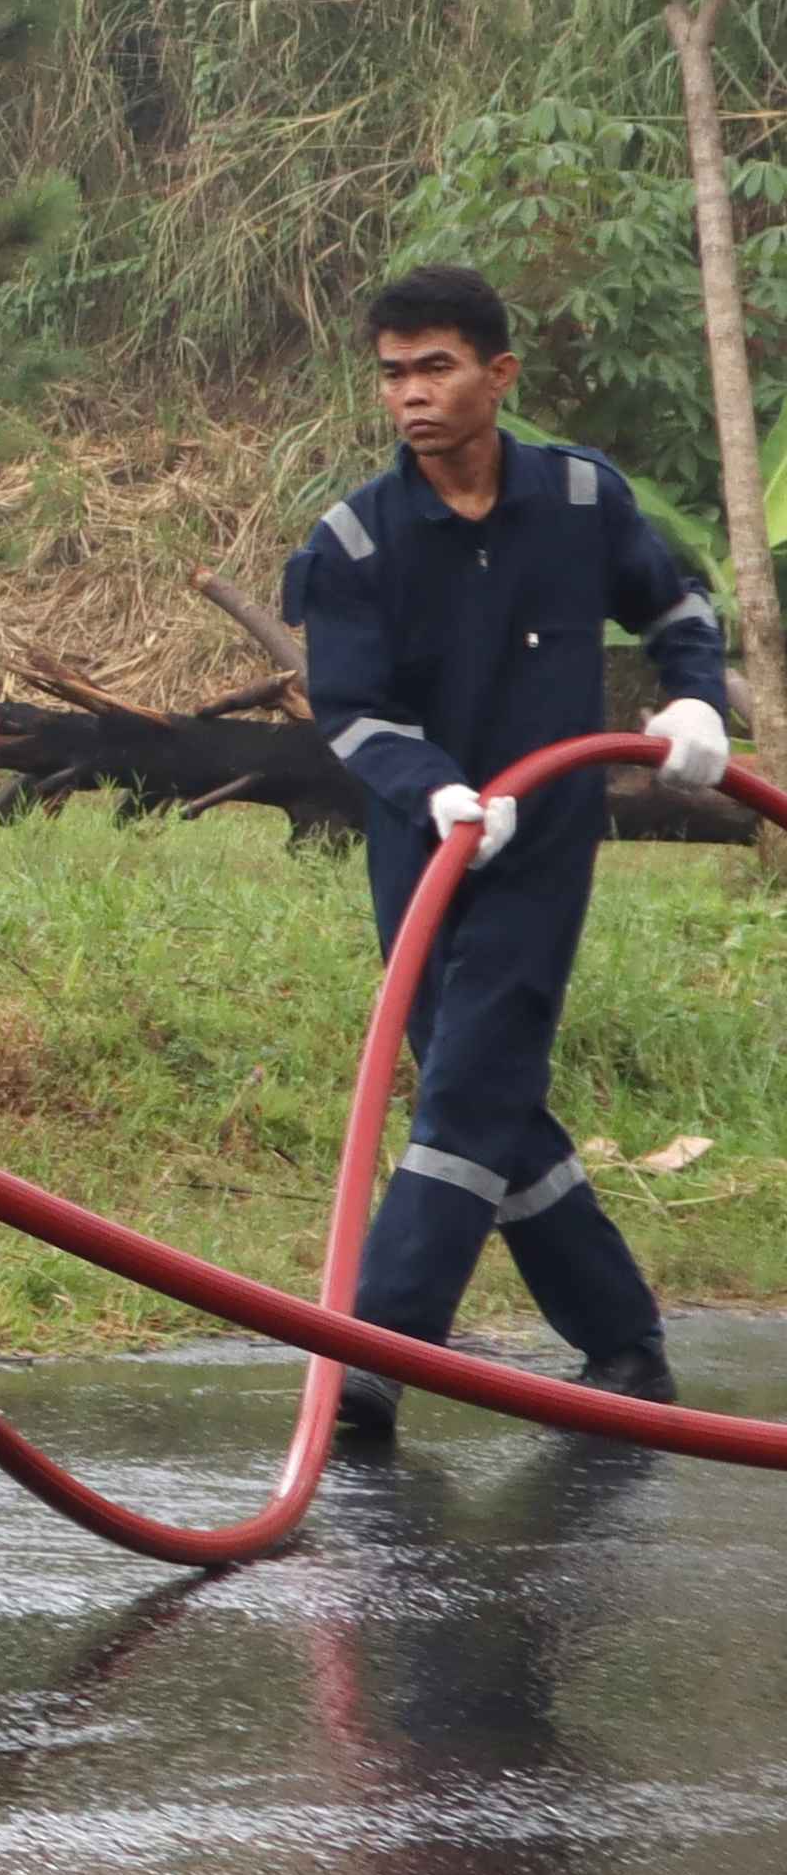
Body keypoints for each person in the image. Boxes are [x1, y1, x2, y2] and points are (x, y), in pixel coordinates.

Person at [283, 261, 737, 1454]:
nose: (411, 396)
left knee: (471, 1081)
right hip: (423, 842)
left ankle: (373, 1357)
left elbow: (677, 606)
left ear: (498, 374)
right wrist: (430, 786)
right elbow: (348, 707)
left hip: (545, 845)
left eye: (435, 368)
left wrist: (692, 707)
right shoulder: (354, 539)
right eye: (391, 374)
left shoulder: (584, 500)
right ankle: (623, 1340)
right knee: (482, 1100)